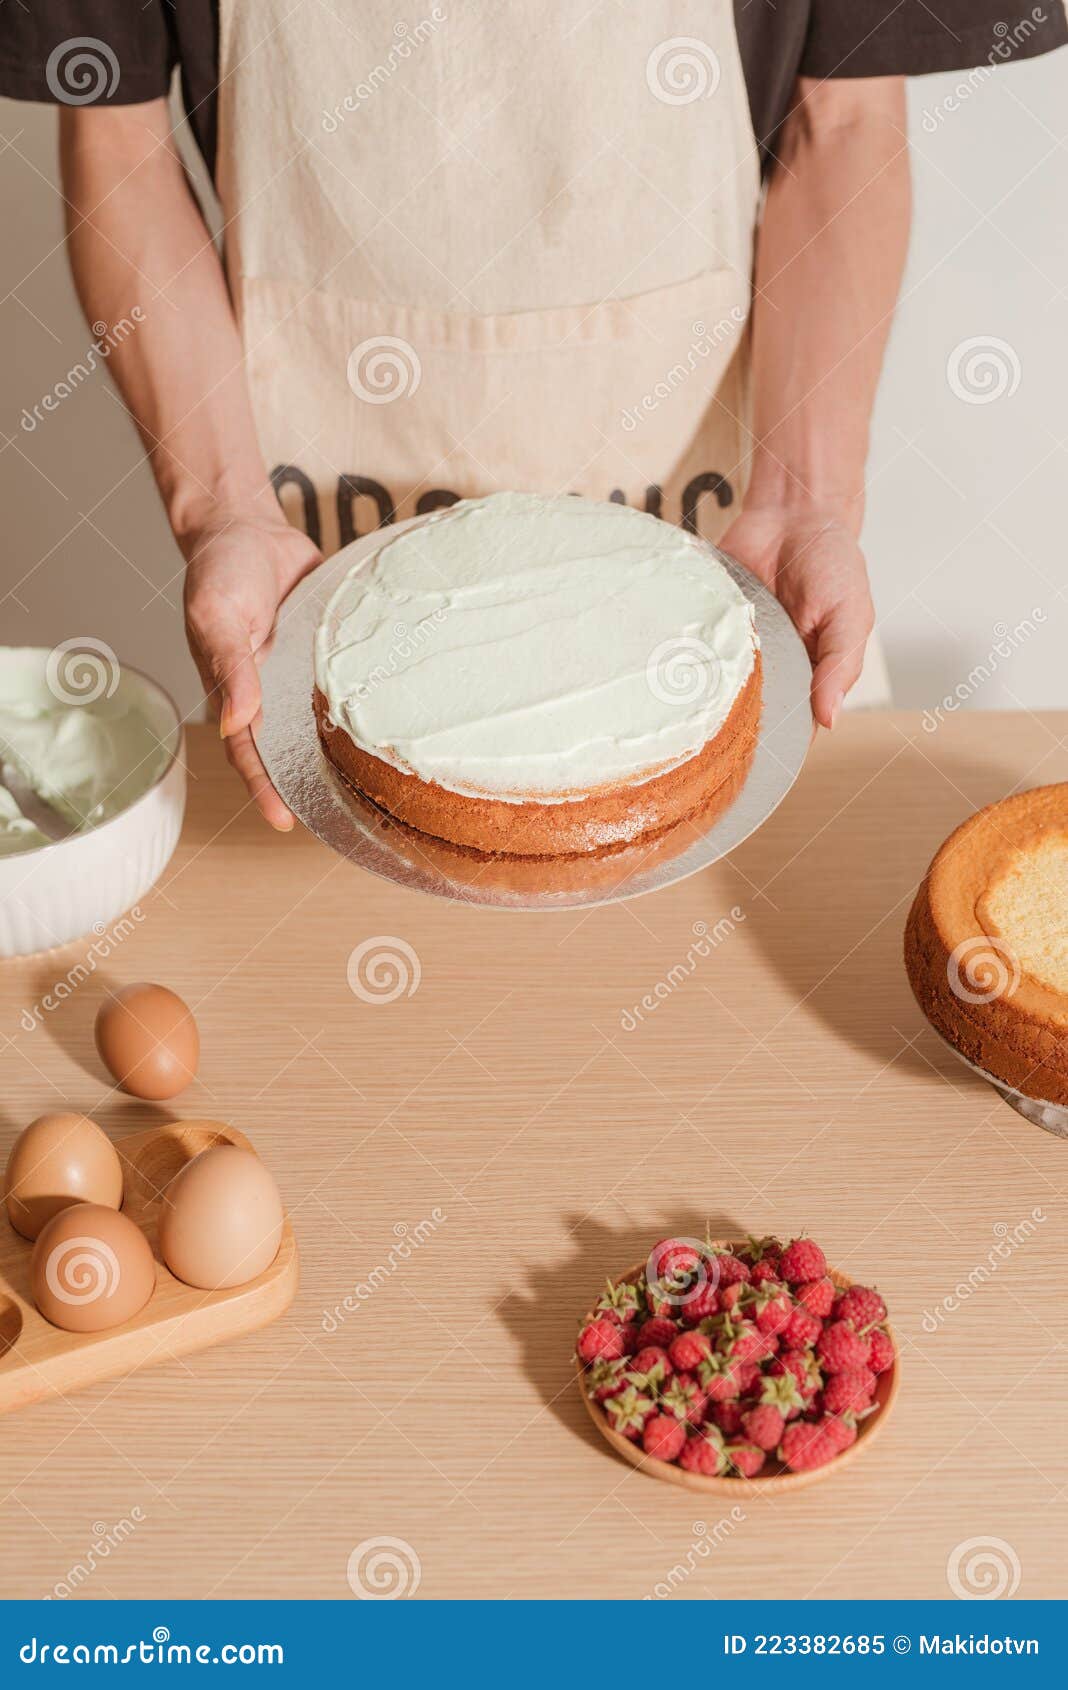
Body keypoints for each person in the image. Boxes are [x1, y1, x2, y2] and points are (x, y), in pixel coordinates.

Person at [4, 3, 1063, 828]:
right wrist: (223, 510)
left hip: (725, 558)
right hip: (309, 588)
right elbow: (119, 143)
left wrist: (804, 497)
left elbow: (847, 117)